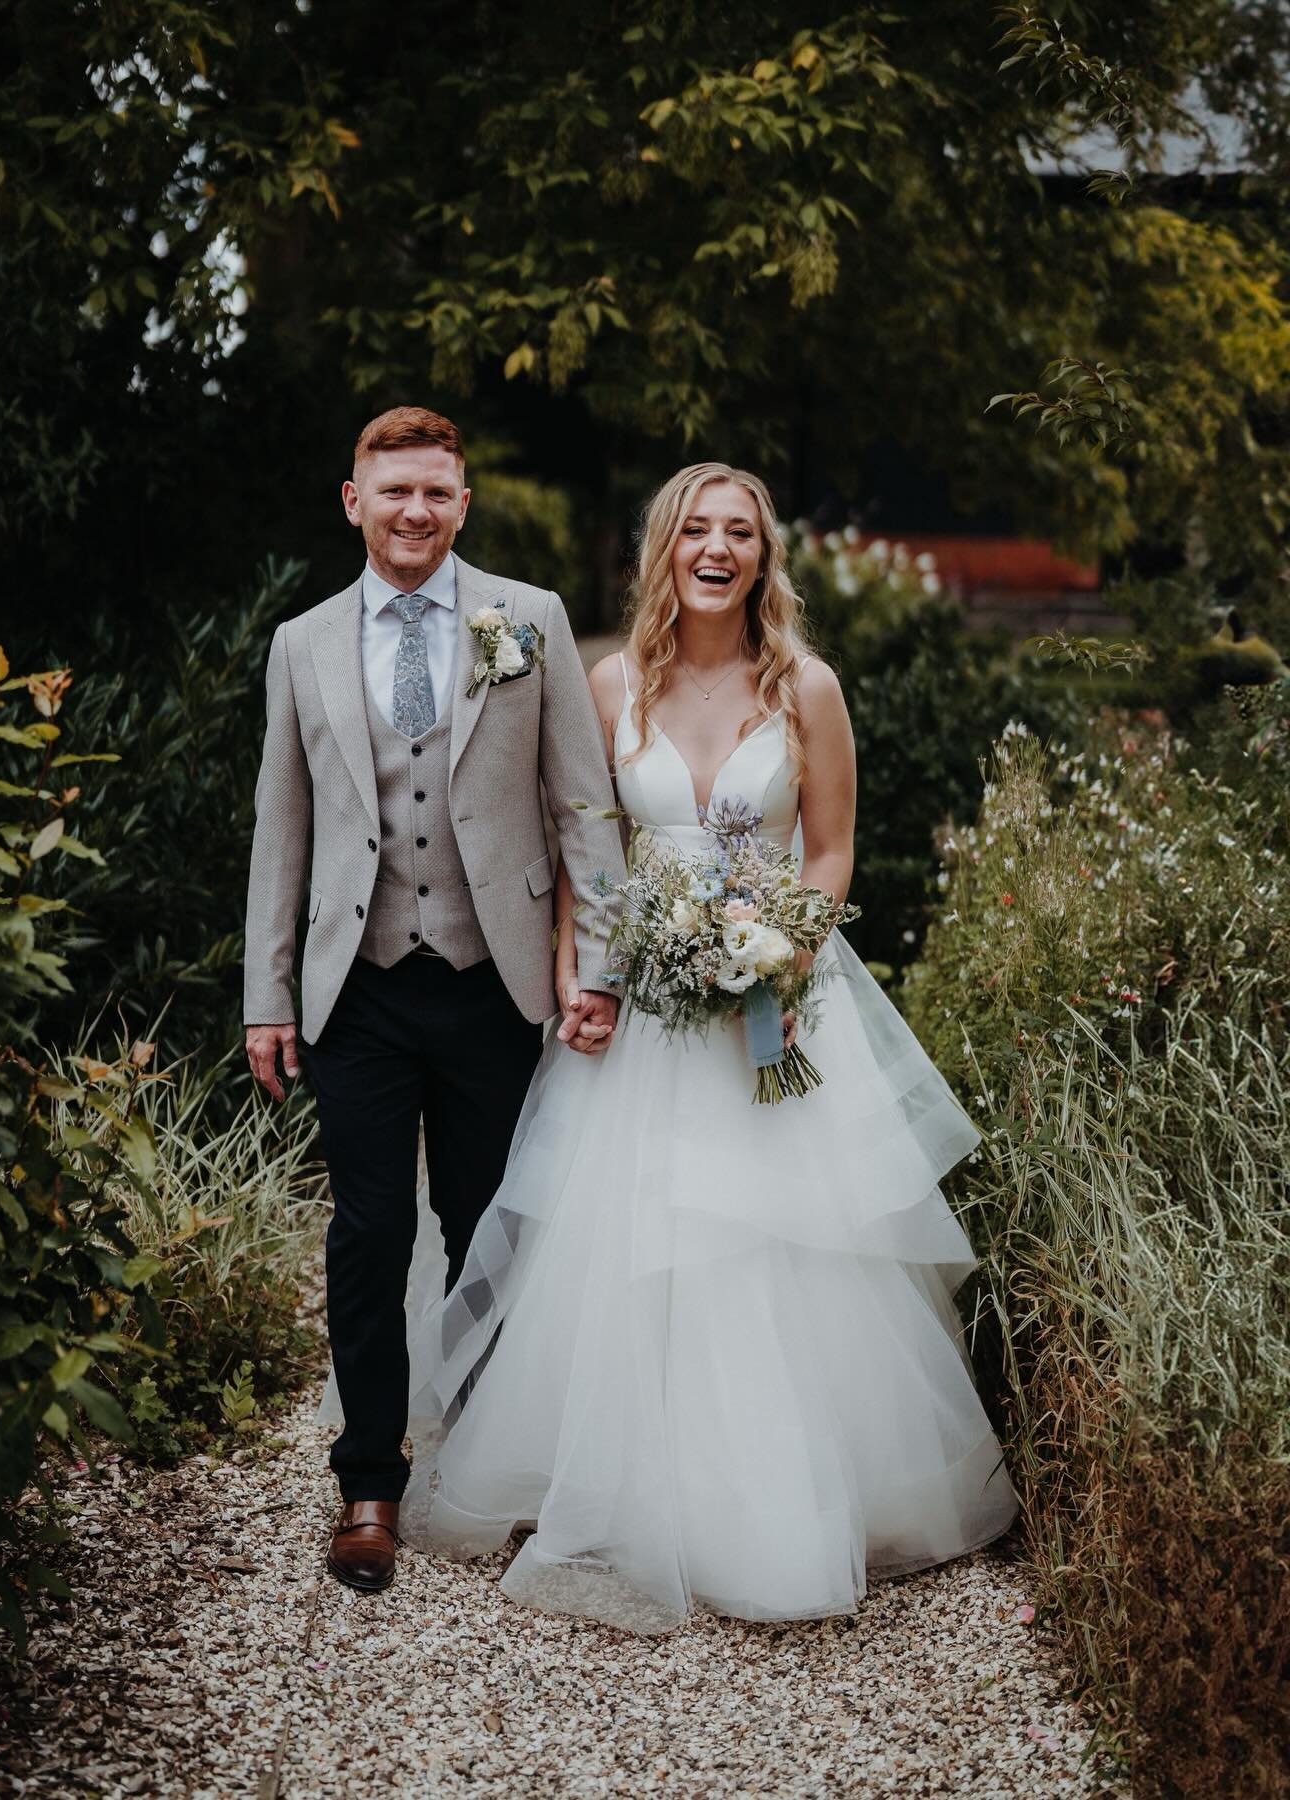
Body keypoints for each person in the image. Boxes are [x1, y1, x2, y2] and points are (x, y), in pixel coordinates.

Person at [399, 461, 1020, 1631]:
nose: (718, 549)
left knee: (779, 1246)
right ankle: (630, 1489)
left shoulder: (810, 689)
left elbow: (832, 850)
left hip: (775, 1004)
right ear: (666, 550)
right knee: (627, 1239)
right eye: (698, 530)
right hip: (642, 1005)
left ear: (763, 557)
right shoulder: (609, 682)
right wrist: (578, 970)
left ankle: (776, 1508)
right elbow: (588, 848)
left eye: (741, 532)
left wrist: (782, 943)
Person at [243, 406, 626, 1593]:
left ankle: (491, 1466)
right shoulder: (302, 642)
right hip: (353, 989)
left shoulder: (531, 619)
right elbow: (281, 826)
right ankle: (370, 1484)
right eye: (395, 490)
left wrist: (602, 965)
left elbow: (582, 808)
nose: (417, 511)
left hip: (492, 979)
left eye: (438, 494)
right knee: (368, 1237)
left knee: (491, 1231)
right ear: (353, 500)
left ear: (464, 505)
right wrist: (267, 994)